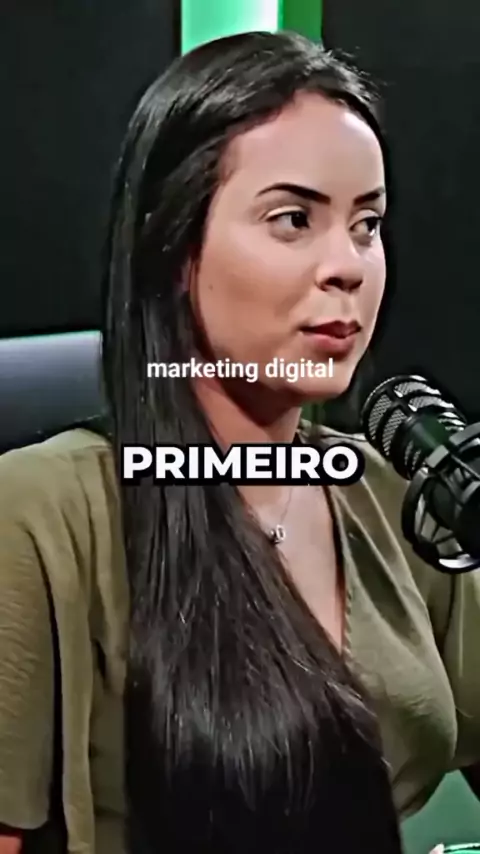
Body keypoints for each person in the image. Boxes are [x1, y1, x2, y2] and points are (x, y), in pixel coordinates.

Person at [0, 29, 478, 854]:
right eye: (294, 220)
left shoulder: (400, 499)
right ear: (175, 247)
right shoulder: (39, 515)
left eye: (367, 225)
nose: (348, 266)